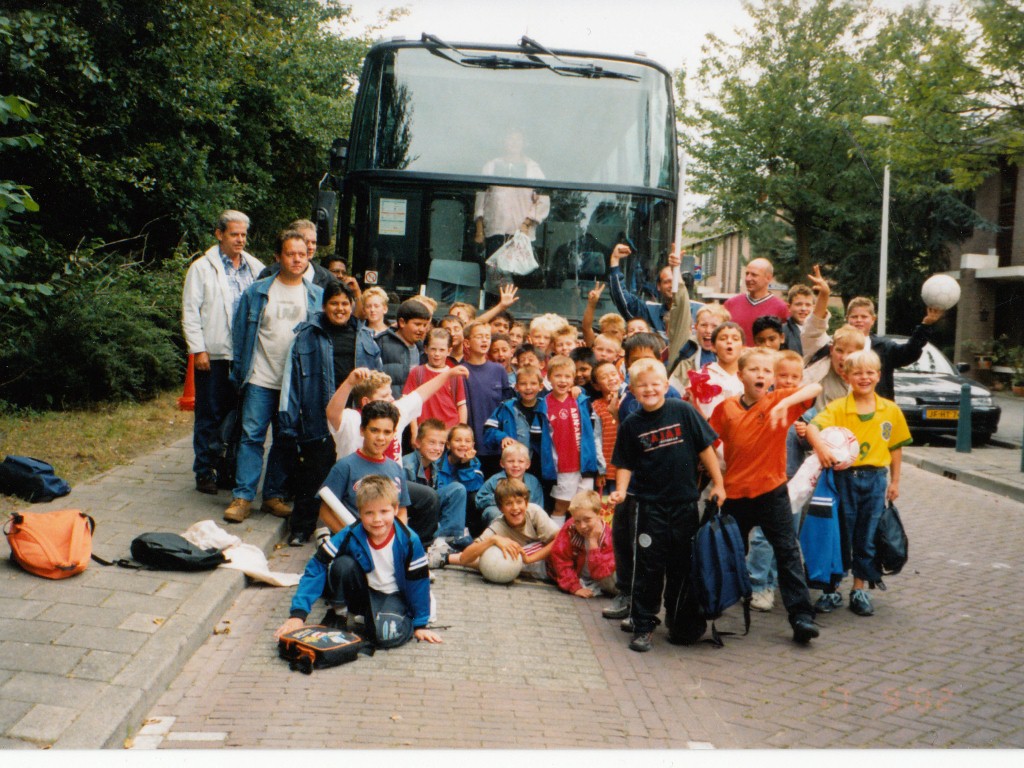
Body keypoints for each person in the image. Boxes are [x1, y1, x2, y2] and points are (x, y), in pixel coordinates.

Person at [609, 358, 725, 652]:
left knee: (682, 566)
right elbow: (624, 463)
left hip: (685, 505)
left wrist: (719, 483)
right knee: (648, 569)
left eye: (655, 384)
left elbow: (706, 448)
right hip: (649, 508)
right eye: (642, 386)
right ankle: (643, 625)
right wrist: (620, 492)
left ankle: (679, 621)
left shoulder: (682, 410)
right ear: (633, 390)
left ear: (665, 385)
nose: (649, 390)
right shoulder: (631, 425)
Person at [709, 348, 822, 644]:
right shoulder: (726, 408)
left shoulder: (779, 401)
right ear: (740, 375)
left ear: (772, 378)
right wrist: (717, 481)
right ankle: (711, 605)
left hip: (772, 492)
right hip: (735, 494)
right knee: (726, 552)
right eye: (754, 369)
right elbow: (708, 443)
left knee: (787, 551)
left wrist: (785, 403)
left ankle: (801, 617)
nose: (761, 375)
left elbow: (815, 388)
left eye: (766, 371)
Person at [274, 475, 441, 648]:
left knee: (385, 636)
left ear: (395, 509)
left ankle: (390, 618)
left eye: (384, 511)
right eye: (369, 513)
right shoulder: (351, 533)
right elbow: (317, 565)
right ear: (360, 513)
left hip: (394, 594)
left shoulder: (409, 540)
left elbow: (419, 582)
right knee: (342, 565)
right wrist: (298, 615)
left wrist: (420, 624)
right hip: (364, 592)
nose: (377, 519)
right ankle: (339, 614)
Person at [224, 229, 322, 523]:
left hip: (295, 383)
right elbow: (240, 335)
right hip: (260, 379)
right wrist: (238, 373)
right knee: (251, 437)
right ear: (278, 257)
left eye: (302, 254)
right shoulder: (256, 292)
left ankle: (272, 496)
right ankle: (242, 497)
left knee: (286, 439)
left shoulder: (316, 295)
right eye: (290, 254)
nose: (297, 259)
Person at [806, 349, 912, 617]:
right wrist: (821, 449)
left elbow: (895, 447)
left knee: (867, 535)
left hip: (875, 480)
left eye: (870, 372)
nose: (864, 377)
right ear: (846, 376)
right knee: (839, 533)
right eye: (857, 373)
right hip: (843, 479)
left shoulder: (890, 410)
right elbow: (812, 428)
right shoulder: (838, 408)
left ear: (878, 375)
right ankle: (831, 589)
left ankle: (860, 588)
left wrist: (895, 481)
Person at [278, 281, 382, 545]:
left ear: (352, 306)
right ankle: (301, 528)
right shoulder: (307, 335)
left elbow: (378, 377)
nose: (340, 308)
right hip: (318, 415)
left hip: (355, 416)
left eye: (345, 303)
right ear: (324, 306)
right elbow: (291, 380)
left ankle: (352, 529)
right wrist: (289, 419)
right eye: (334, 303)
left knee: (354, 473)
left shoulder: (365, 335)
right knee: (313, 473)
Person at [182, 210, 264, 495]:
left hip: (245, 356)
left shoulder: (255, 267)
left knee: (238, 416)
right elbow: (191, 311)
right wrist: (199, 349)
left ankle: (228, 469)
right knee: (209, 415)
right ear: (219, 234)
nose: (240, 240)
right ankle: (204, 470)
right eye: (234, 234)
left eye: (243, 235)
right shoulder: (202, 268)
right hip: (214, 355)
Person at [439, 478, 559, 580]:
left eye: (519, 502)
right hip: (532, 565)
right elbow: (465, 558)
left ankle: (447, 557)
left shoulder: (534, 512)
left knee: (510, 556)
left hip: (548, 557)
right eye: (508, 504)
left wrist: (530, 559)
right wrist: (493, 540)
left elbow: (560, 539)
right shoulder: (498, 525)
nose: (515, 508)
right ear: (500, 508)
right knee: (495, 557)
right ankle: (445, 557)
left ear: (526, 503)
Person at [473, 129, 551, 273]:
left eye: (518, 139)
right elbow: (481, 198)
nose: (514, 143)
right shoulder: (491, 166)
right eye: (510, 138)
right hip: (495, 233)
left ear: (524, 143)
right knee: (495, 277)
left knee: (518, 278)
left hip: (521, 235)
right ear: (503, 142)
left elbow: (543, 200)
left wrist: (527, 223)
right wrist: (479, 230)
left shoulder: (533, 168)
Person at [843, 297, 944, 400]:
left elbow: (909, 352)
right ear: (847, 319)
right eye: (854, 317)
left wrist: (926, 325)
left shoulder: (884, 347)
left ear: (873, 320)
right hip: (844, 403)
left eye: (864, 317)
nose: (859, 320)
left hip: (877, 406)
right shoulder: (837, 345)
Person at [544, 355, 603, 523]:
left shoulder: (580, 400)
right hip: (563, 467)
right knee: (561, 506)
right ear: (549, 377)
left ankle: (585, 539)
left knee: (585, 507)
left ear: (573, 378)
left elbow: (595, 433)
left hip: (585, 465)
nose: (563, 380)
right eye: (558, 376)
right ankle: (557, 539)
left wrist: (599, 465)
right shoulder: (545, 403)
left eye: (567, 376)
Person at [402, 418, 468, 554]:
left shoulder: (434, 465)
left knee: (457, 489)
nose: (437, 448)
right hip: (412, 518)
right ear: (418, 442)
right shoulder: (407, 466)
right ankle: (431, 542)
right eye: (432, 442)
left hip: (428, 513)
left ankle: (445, 539)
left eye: (441, 443)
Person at [461, 321, 514, 479]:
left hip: (496, 445)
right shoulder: (461, 370)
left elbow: (506, 408)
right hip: (471, 444)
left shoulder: (498, 370)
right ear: (467, 343)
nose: (484, 340)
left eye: (487, 337)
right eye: (479, 336)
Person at [547, 489, 617, 598]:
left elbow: (600, 573)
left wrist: (593, 543)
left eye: (587, 519)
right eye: (577, 521)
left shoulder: (608, 536)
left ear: (599, 514)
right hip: (573, 577)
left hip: (598, 580)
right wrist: (574, 587)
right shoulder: (571, 529)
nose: (582, 526)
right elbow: (561, 559)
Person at [404, 328, 467, 439]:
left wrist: (461, 432)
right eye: (433, 349)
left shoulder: (454, 374)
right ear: (426, 349)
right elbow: (409, 405)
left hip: (450, 431)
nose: (437, 354)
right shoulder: (417, 373)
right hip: (425, 432)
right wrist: (414, 432)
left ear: (449, 351)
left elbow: (461, 405)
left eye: (442, 350)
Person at [607, 243, 680, 334]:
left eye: (675, 281)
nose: (672, 285)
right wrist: (615, 260)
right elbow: (622, 299)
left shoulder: (694, 311)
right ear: (658, 286)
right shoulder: (650, 312)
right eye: (667, 282)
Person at [474, 441, 545, 529]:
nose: (515, 465)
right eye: (510, 461)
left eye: (521, 461)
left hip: (524, 516)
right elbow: (479, 500)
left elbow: (538, 506)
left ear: (527, 464)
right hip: (501, 514)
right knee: (492, 512)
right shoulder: (495, 480)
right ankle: (499, 535)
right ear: (502, 463)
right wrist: (501, 500)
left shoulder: (533, 482)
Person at [722, 258, 789, 345]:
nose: (748, 278)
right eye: (747, 274)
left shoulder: (781, 308)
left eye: (754, 275)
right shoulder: (731, 304)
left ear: (768, 278)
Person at [256, 219, 336, 289]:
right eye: (306, 241)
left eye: (314, 242)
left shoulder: (327, 278)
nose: (311, 247)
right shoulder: (268, 274)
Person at [377, 299, 431, 399]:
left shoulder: (422, 348)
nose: (422, 329)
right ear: (402, 322)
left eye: (424, 325)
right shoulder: (381, 343)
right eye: (417, 324)